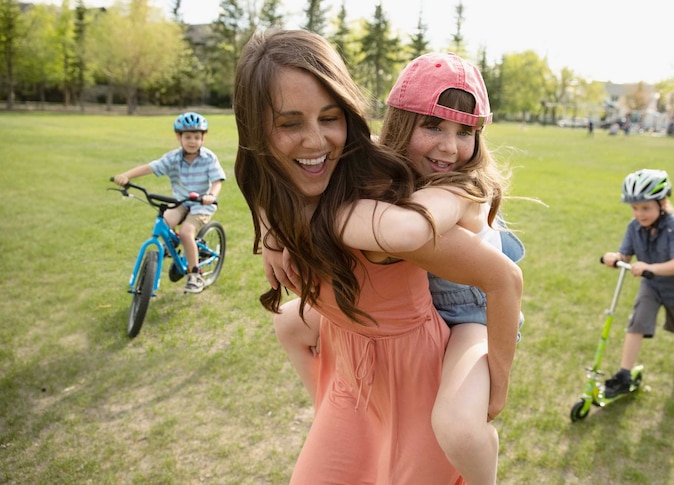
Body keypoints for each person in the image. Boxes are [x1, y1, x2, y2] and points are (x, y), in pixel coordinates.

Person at [233, 29, 522, 484]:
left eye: (329, 118)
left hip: (456, 322)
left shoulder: (396, 205)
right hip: (357, 362)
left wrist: (498, 380)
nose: (314, 141)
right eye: (290, 123)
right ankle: (331, 414)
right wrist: (270, 226)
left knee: (460, 429)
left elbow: (495, 276)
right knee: (289, 322)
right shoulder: (343, 174)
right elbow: (259, 174)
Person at [601, 168, 674, 399]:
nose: (639, 214)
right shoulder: (634, 226)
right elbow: (625, 256)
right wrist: (615, 258)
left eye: (645, 208)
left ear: (662, 203)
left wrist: (649, 268)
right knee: (637, 322)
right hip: (651, 285)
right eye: (635, 208)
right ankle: (624, 375)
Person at [112, 112, 225, 294]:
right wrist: (126, 176)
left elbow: (217, 181)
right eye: (187, 137)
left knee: (187, 233)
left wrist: (211, 195)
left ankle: (195, 274)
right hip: (180, 202)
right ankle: (172, 246)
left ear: (203, 138)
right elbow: (150, 167)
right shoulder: (173, 158)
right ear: (178, 137)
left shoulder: (208, 158)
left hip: (201, 204)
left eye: (197, 137)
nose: (192, 141)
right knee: (164, 221)